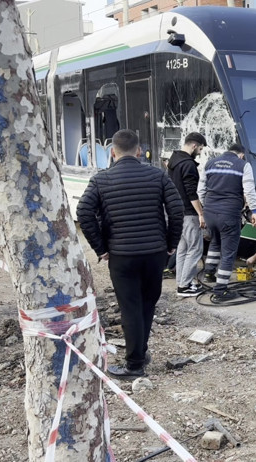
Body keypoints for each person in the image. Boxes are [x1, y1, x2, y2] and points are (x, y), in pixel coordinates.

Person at [77, 129, 183, 380]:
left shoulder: (101, 180)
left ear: (112, 153)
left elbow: (83, 212)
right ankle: (140, 353)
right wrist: (171, 243)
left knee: (130, 307)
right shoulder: (157, 175)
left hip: (122, 255)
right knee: (147, 304)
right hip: (155, 252)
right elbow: (177, 210)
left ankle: (135, 365)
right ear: (139, 151)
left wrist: (101, 248)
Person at [198, 147, 256, 302]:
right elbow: (249, 190)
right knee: (229, 252)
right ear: (241, 154)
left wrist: (207, 206)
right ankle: (220, 291)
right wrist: (254, 211)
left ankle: (209, 273)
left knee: (215, 241)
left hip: (209, 212)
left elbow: (200, 190)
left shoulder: (210, 163)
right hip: (229, 213)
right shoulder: (243, 165)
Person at [168, 132, 207, 297]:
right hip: (189, 213)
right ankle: (184, 286)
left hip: (176, 212)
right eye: (200, 148)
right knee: (195, 249)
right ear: (194, 145)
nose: (200, 152)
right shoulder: (188, 165)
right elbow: (191, 193)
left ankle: (182, 282)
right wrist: (201, 213)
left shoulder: (173, 161)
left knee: (183, 249)